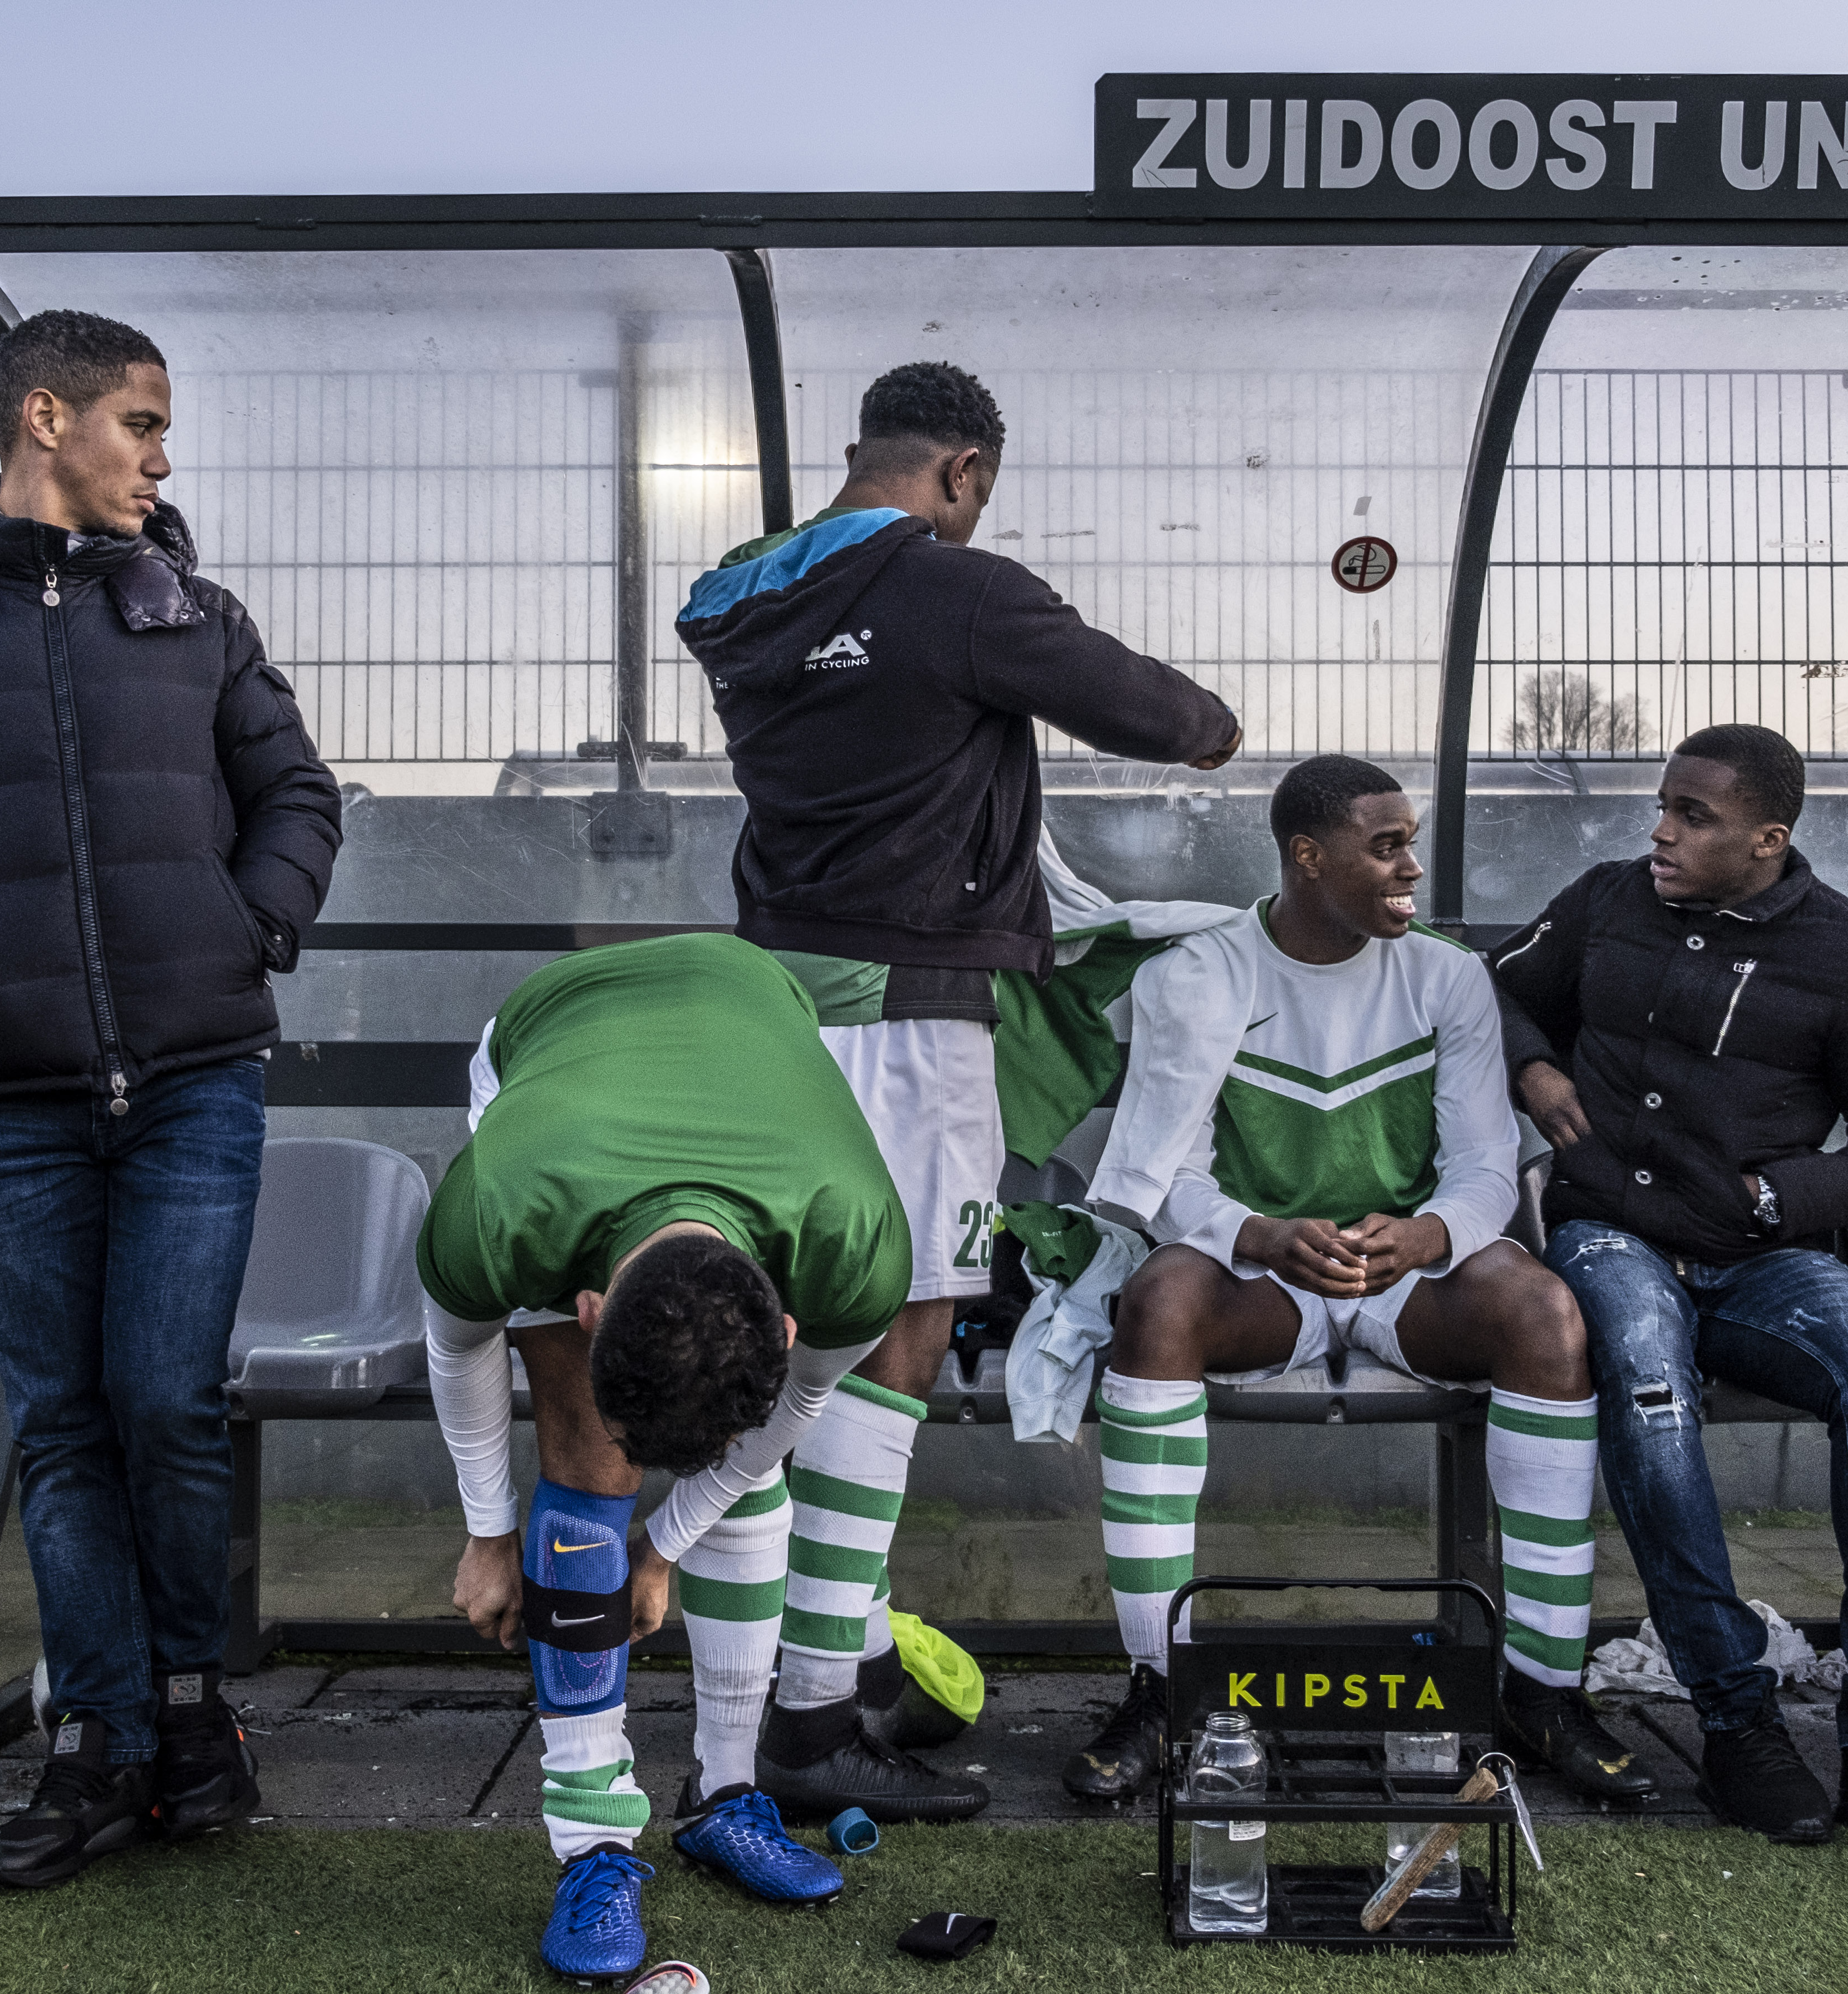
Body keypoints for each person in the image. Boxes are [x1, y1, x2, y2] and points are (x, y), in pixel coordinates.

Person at [0, 310, 342, 1888]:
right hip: (8, 1097)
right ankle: (98, 1742)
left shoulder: (198, 617)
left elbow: (297, 793)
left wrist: (253, 930)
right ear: (47, 418)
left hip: (191, 1086)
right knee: (58, 1425)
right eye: (142, 425)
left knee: (165, 1406)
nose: (161, 460)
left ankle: (189, 1715)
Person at [673, 362, 1240, 1810]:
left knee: (806, 1328)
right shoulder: (954, 590)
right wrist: (1215, 727)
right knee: (901, 1332)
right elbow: (1170, 715)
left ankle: (843, 1654)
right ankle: (809, 1728)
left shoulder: (743, 595)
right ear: (965, 471)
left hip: (782, 1010)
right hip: (917, 1014)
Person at [1057, 756, 1649, 1804]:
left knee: (1545, 1313)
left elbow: (1480, 1167)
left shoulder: (1447, 975)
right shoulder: (1197, 975)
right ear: (1307, 855)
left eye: (1410, 841)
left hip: (1403, 1272)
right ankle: (1161, 1686)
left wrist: (1427, 1235)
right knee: (1159, 1302)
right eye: (1386, 847)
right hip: (1267, 1273)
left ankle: (1541, 1689)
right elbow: (1160, 1178)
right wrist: (1262, 1235)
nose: (1410, 868)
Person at [1494, 723, 1848, 1851]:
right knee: (1646, 1380)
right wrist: (1533, 1063)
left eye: (1694, 816)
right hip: (1609, 1233)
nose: (1661, 834)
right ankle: (1737, 1717)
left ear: (1767, 838)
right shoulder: (1604, 901)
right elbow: (1489, 991)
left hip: (1763, 1250)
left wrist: (1779, 1198)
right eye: (1662, 807)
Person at [417, 934, 948, 1978]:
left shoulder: (855, 1244)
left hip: (753, 1004)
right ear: (587, 1305)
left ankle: (723, 1794)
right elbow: (458, 1345)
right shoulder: (506, 1206)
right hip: (555, 1037)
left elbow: (784, 1422)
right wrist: (487, 1532)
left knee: (744, 1476)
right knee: (583, 1456)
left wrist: (666, 1547)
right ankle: (593, 1842)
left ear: (789, 1328)